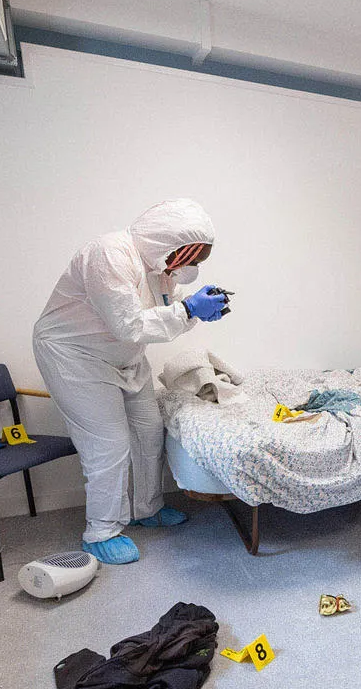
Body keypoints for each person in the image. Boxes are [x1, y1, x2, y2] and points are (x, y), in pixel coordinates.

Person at [33, 199, 230, 564]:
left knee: (150, 431)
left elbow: (160, 312)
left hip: (126, 356)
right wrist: (188, 311)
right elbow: (128, 323)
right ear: (168, 242)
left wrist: (200, 308)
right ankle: (101, 531)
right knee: (108, 445)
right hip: (76, 357)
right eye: (192, 257)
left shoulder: (158, 267)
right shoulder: (108, 255)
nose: (193, 266)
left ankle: (147, 509)